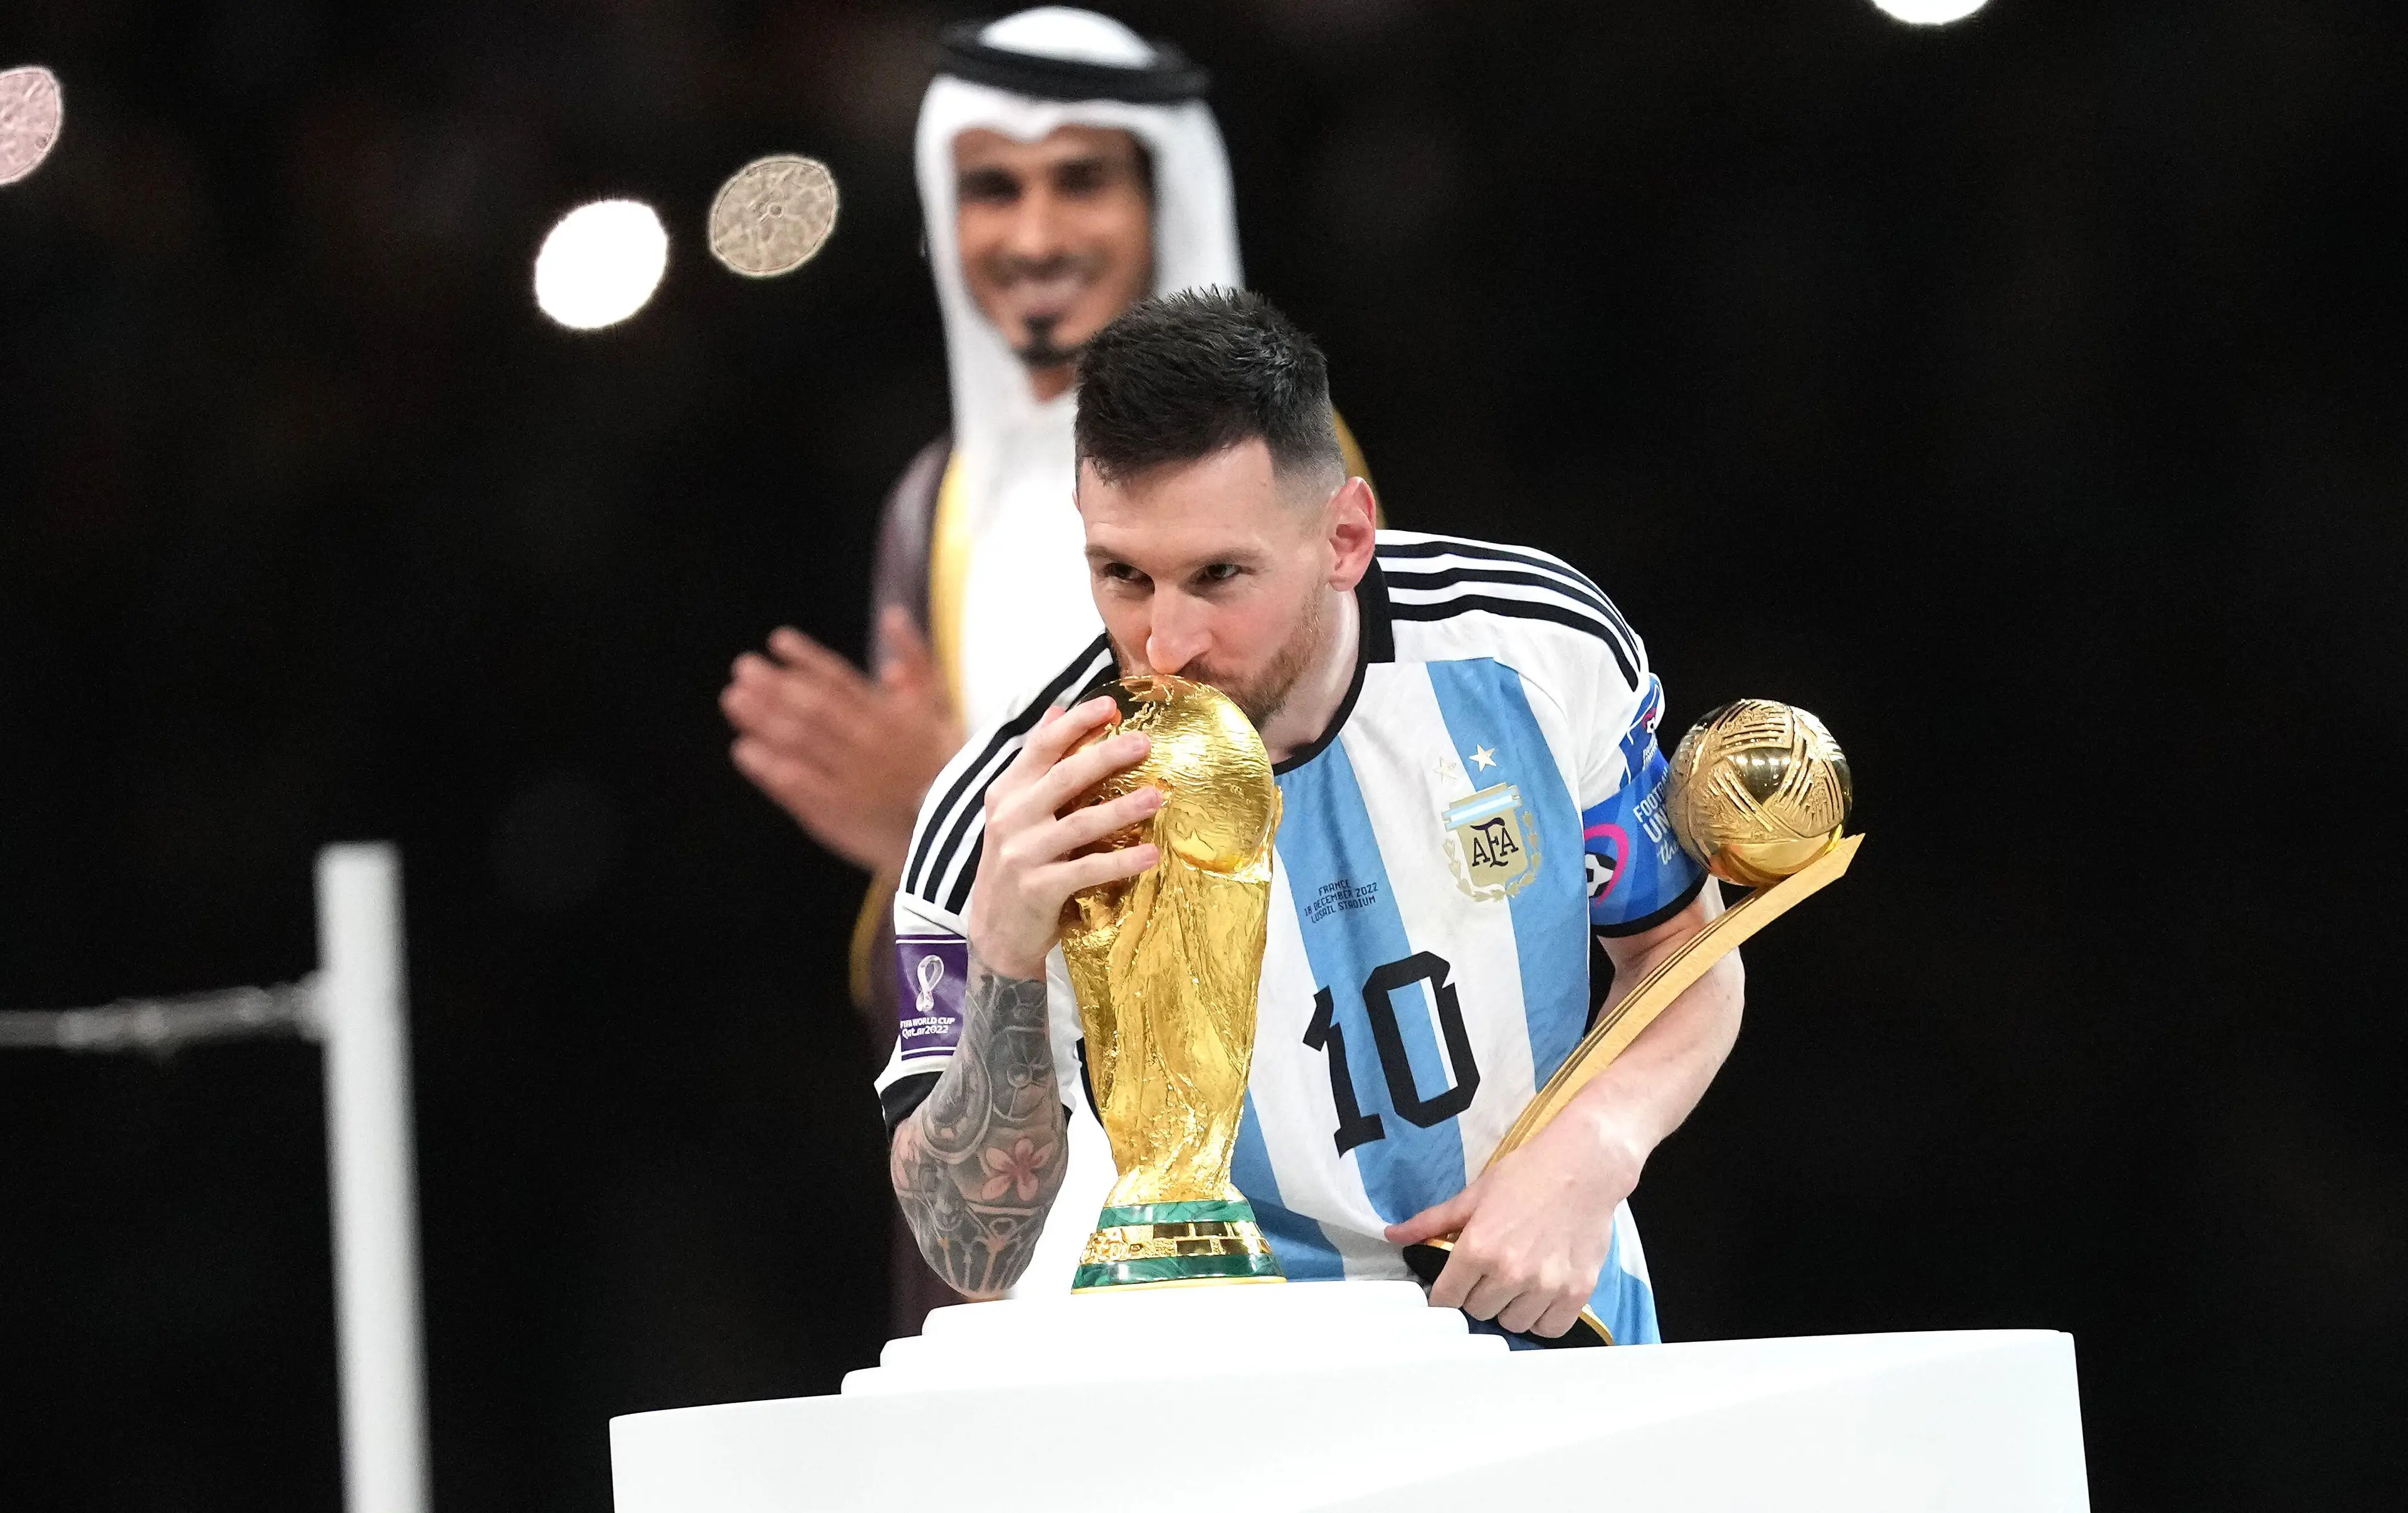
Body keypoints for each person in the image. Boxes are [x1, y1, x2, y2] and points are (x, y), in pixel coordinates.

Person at [875, 290, 1742, 1342]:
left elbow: (1680, 949)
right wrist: (1005, 955)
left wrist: (1599, 1141)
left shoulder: (1538, 651)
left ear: (1346, 535)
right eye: (1123, 576)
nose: (1166, 643)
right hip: (1223, 1400)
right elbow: (972, 1247)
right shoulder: (1003, 814)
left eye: (1218, 576)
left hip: (1553, 1334)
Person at [719, 9, 1368, 1317]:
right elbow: (935, 928)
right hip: (1026, 1176)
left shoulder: (1292, 476)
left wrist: (941, 805)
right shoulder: (933, 503)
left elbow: (1338, 814)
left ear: (1161, 197)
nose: (1035, 236)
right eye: (992, 190)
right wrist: (938, 842)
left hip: (1272, 1175)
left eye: (1082, 180)